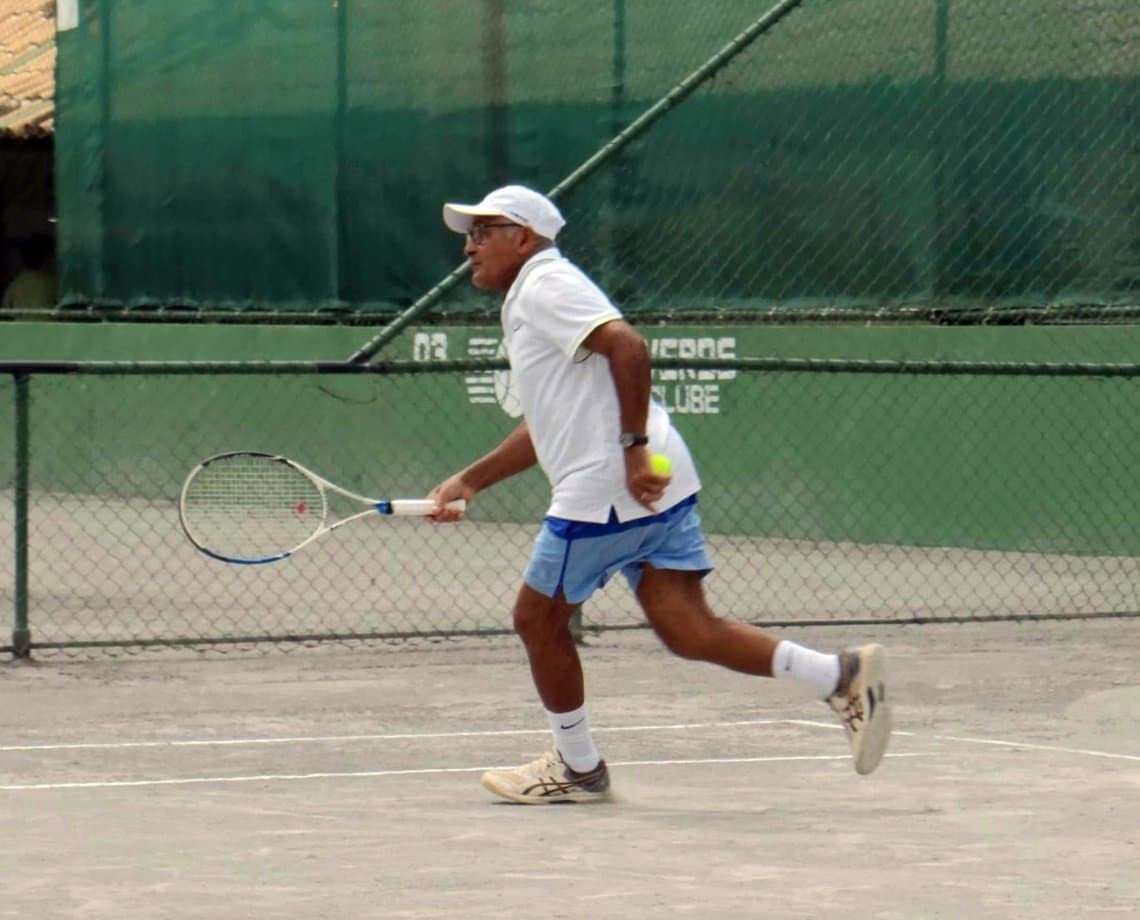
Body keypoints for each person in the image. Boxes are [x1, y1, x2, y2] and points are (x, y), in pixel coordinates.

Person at [428, 185, 892, 804]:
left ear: (524, 238)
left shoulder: (544, 285)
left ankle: (578, 768)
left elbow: (628, 345)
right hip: (655, 487)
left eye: (484, 232)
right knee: (688, 630)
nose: (469, 247)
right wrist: (472, 480)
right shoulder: (535, 294)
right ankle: (841, 676)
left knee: (536, 619)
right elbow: (549, 423)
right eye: (470, 233)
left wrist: (630, 447)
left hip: (608, 490)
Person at [2, 234, 57, 309]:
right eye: (51, 257)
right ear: (46, 259)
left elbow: (5, 309)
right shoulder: (52, 285)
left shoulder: (15, 284)